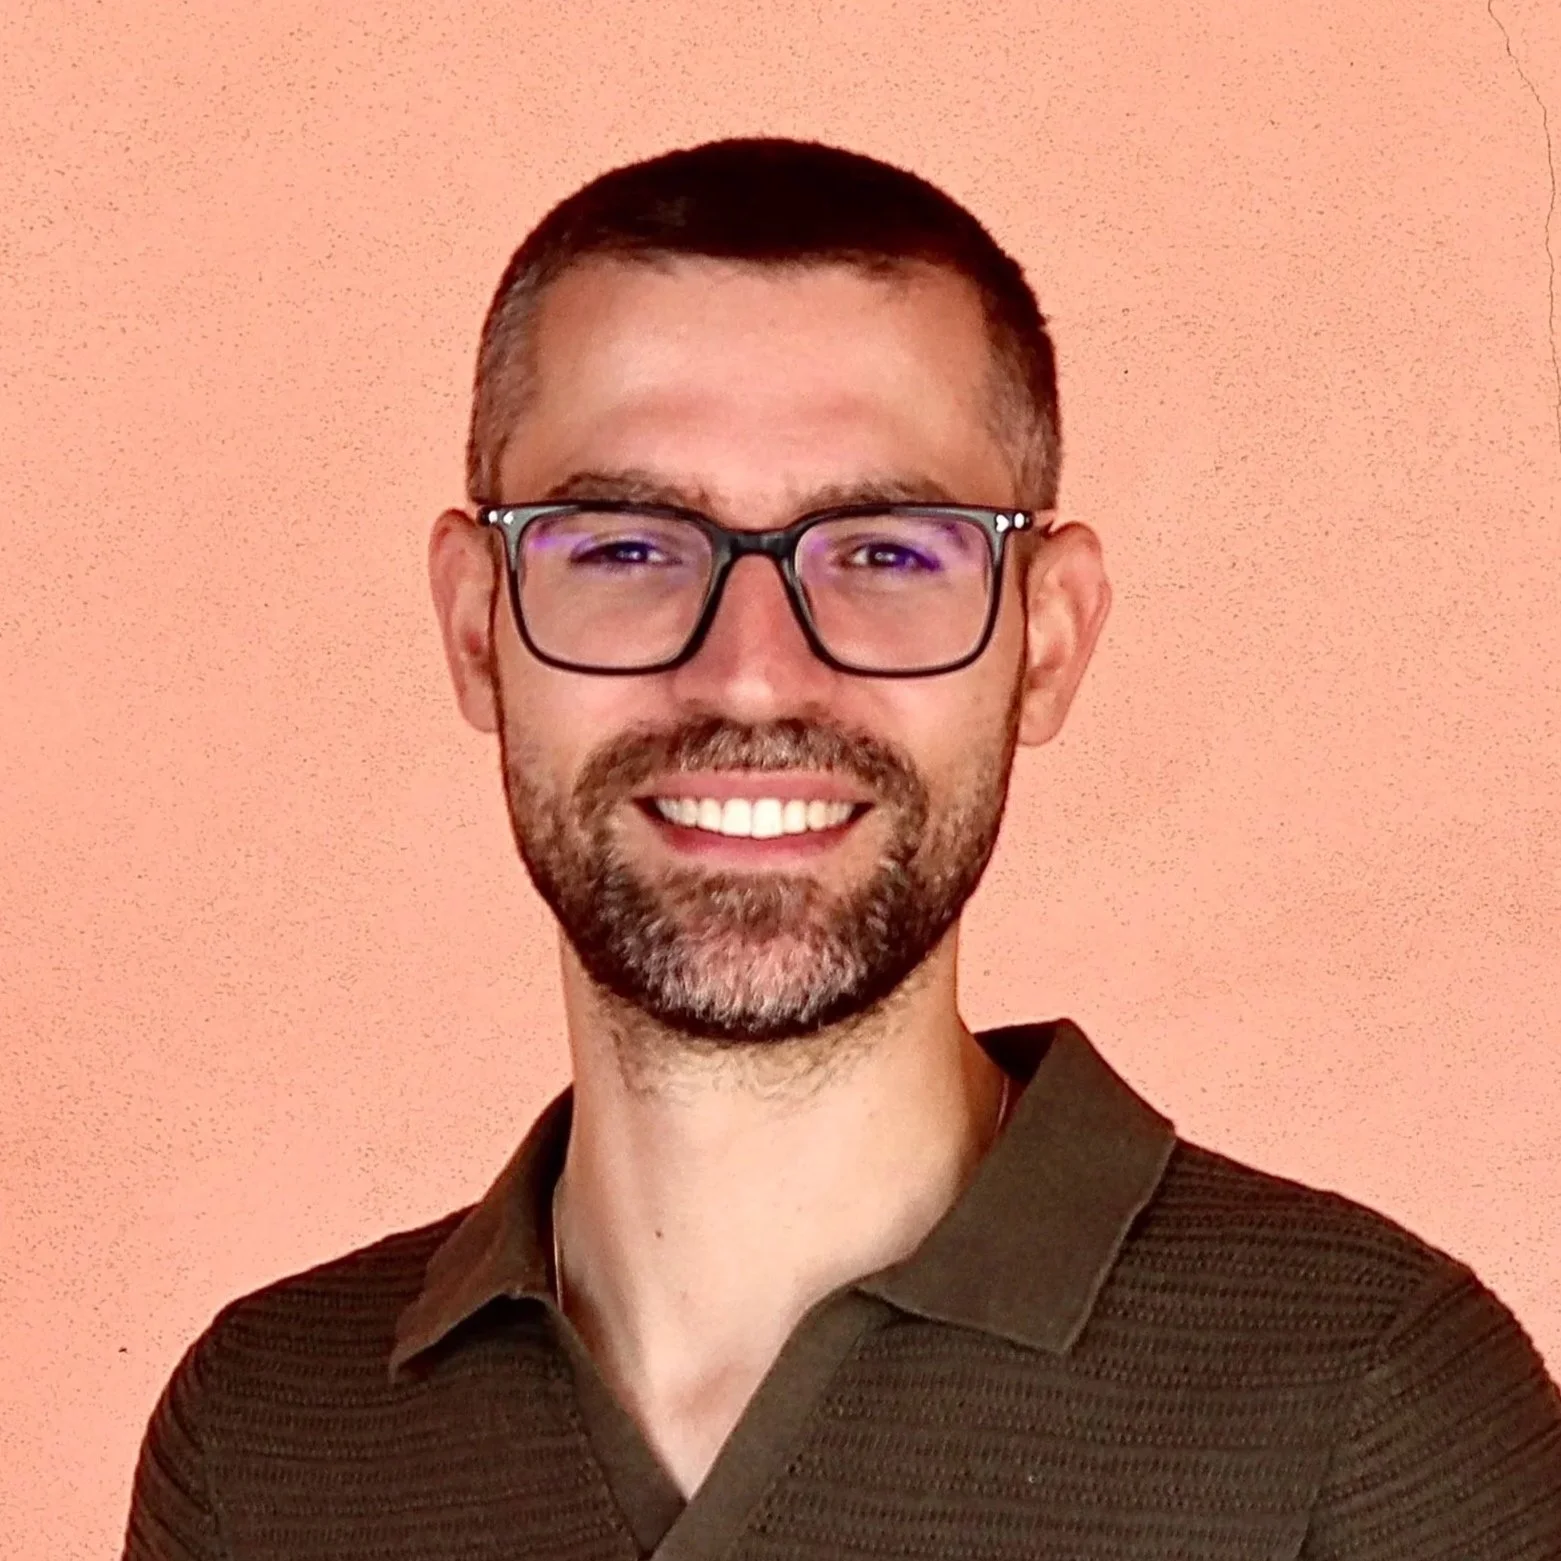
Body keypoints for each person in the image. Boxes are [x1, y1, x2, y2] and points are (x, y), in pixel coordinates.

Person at [122, 136, 1561, 1560]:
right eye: (626, 548)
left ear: (1046, 639)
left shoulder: (1375, 1408)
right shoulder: (268, 1433)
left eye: (884, 553)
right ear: (476, 626)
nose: (754, 676)